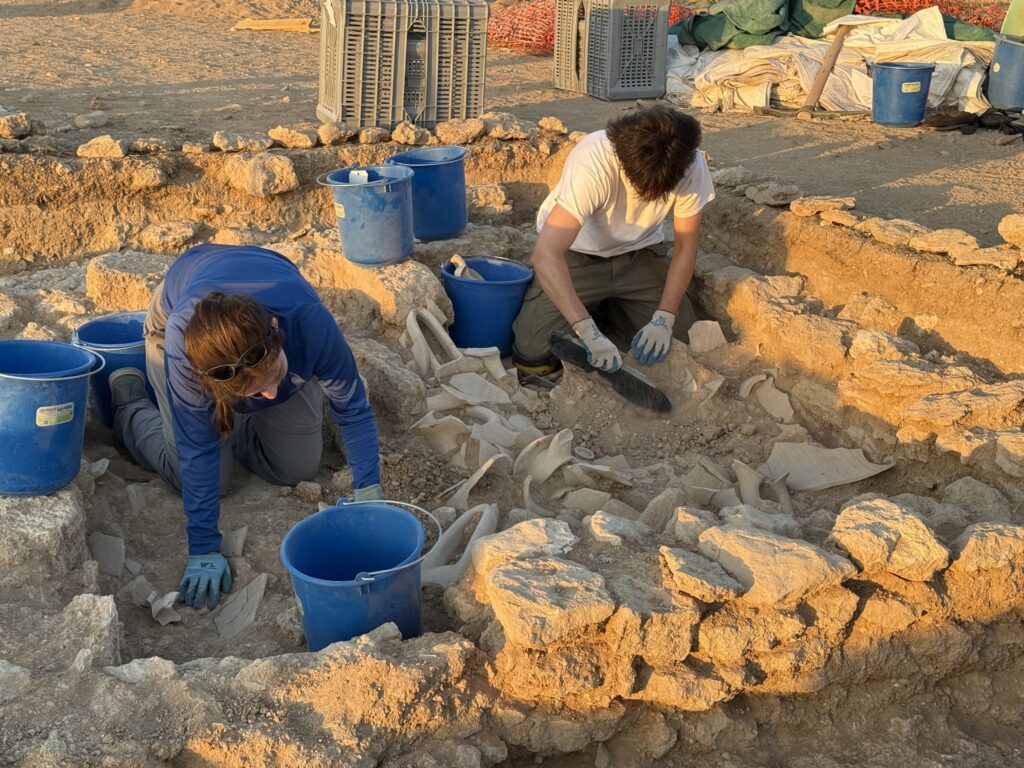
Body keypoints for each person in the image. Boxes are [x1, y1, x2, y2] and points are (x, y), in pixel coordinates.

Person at [109, 244, 383, 611]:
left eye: (275, 378)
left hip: (268, 333)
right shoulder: (184, 351)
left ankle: (240, 418)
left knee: (295, 468)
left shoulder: (308, 321)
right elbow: (197, 449)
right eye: (256, 392)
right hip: (185, 327)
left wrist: (369, 490)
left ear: (276, 332)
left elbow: (352, 409)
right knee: (206, 477)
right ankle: (130, 406)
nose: (271, 394)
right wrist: (204, 546)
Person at [512, 105, 715, 375]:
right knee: (532, 357)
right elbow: (546, 255)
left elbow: (685, 247)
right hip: (577, 256)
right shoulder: (594, 161)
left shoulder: (689, 163)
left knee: (683, 347)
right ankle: (591, 314)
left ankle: (614, 312)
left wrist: (664, 317)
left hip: (638, 255)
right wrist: (587, 331)